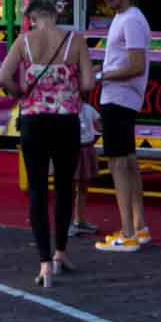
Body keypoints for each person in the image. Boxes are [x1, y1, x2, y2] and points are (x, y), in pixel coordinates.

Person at [0, 0, 92, 287]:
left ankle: (44, 264)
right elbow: (88, 83)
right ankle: (61, 252)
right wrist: (73, 93)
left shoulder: (23, 42)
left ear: (31, 17)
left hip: (34, 121)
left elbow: (2, 77)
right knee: (64, 187)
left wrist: (20, 93)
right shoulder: (75, 40)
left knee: (37, 191)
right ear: (54, 13)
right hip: (66, 121)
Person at [93, 0, 151, 253]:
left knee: (119, 164)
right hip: (120, 98)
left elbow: (136, 65)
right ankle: (137, 227)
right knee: (127, 162)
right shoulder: (126, 18)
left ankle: (128, 231)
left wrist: (101, 75)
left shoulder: (131, 20)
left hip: (119, 99)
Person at [70, 98, 103, 238]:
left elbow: (100, 127)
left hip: (87, 148)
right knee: (69, 189)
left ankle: (80, 220)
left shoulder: (89, 109)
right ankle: (67, 223)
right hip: (71, 150)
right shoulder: (66, 109)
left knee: (83, 187)